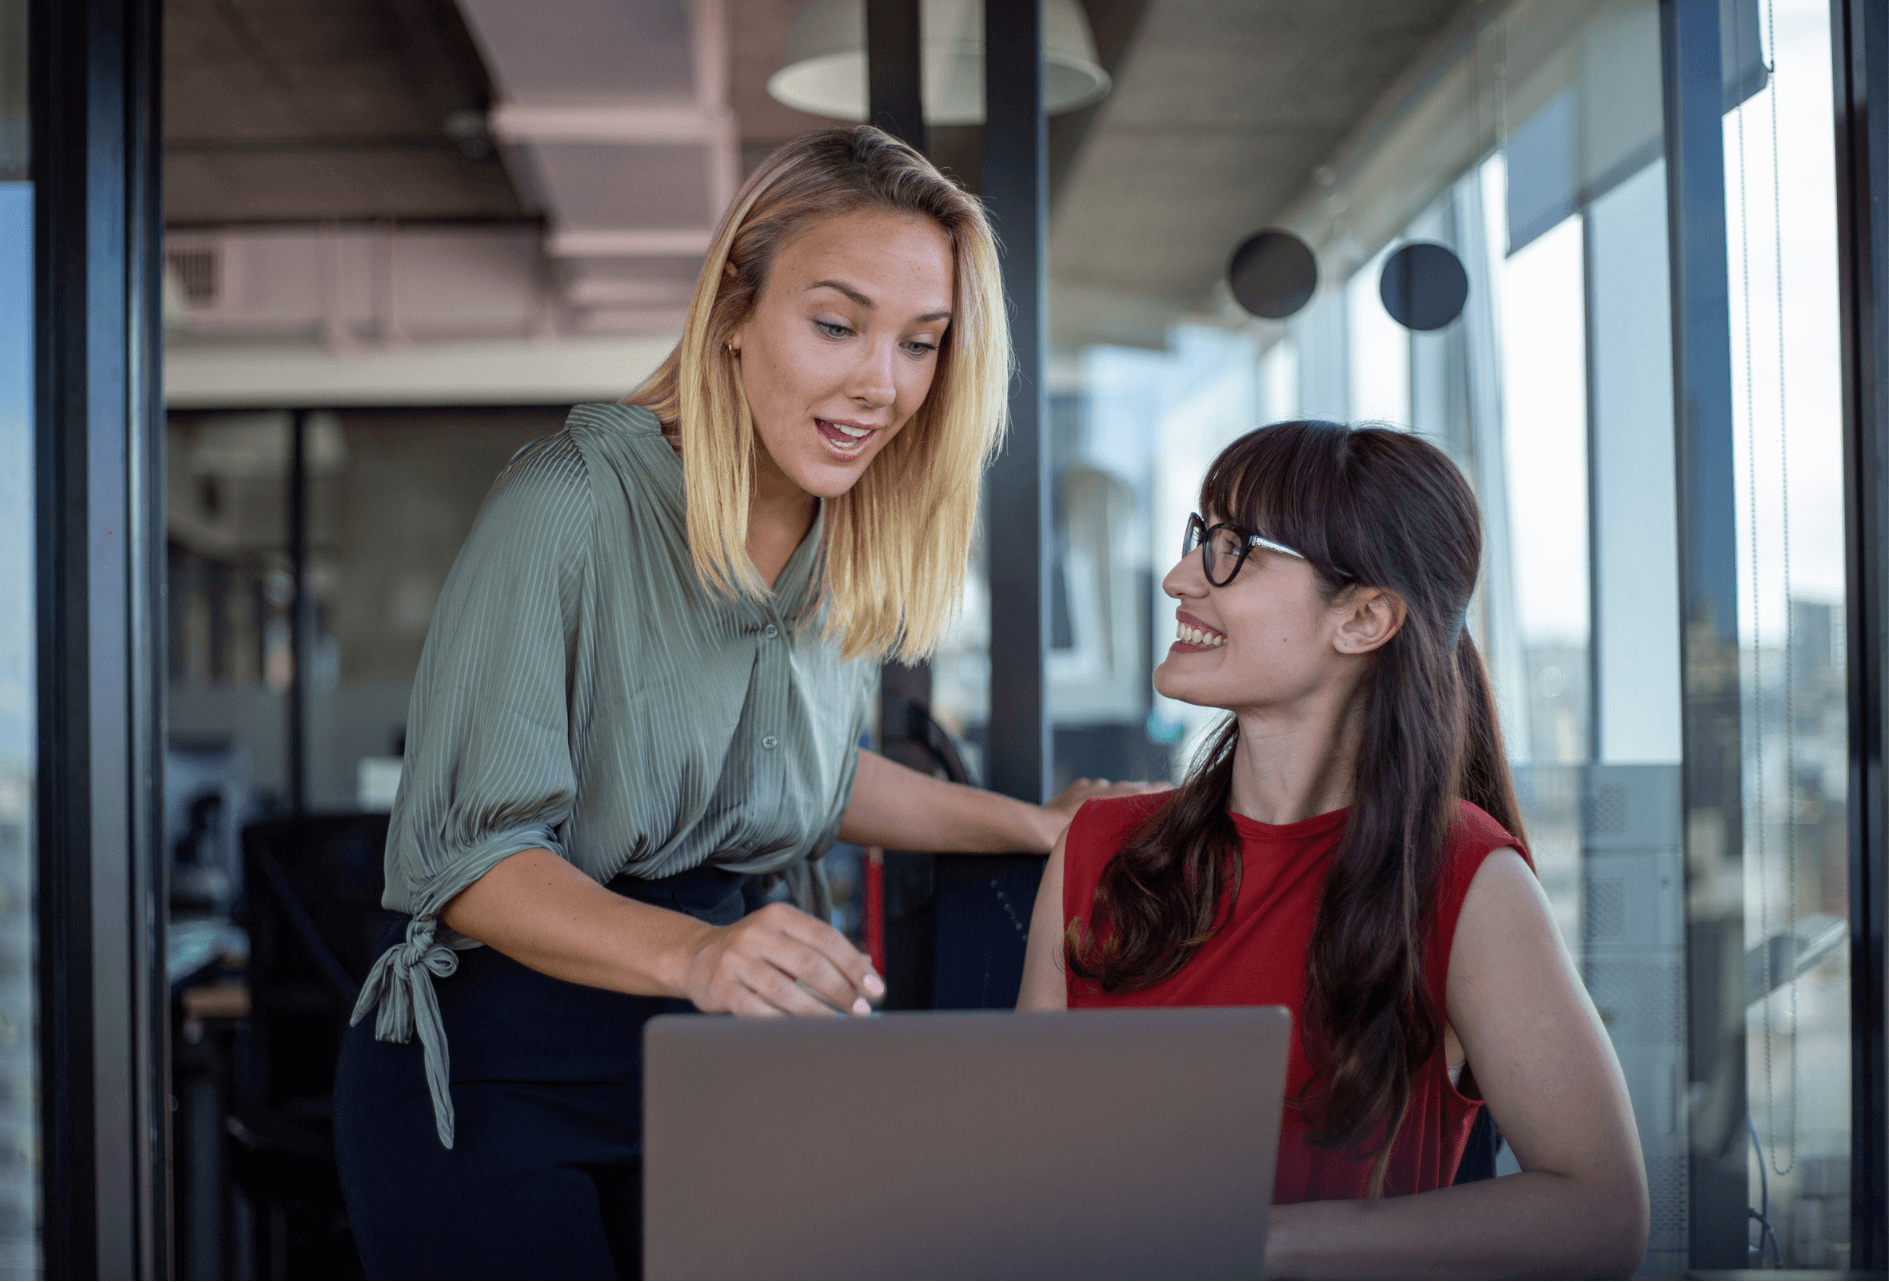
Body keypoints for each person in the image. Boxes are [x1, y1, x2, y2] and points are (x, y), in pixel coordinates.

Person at [333, 127, 1150, 1280]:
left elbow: (803, 776)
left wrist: (1032, 827)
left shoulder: (841, 529)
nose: (882, 382)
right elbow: (469, 861)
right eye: (837, 324)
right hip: (491, 1068)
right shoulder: (567, 510)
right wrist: (700, 957)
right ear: (732, 311)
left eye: (921, 343)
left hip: (700, 1066)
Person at [1018, 421, 1649, 1278]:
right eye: (1200, 539)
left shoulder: (1464, 875)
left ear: (1362, 617)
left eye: (1234, 550)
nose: (1178, 578)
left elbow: (1602, 1213)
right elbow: (1016, 1171)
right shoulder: (1098, 851)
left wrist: (1266, 1243)